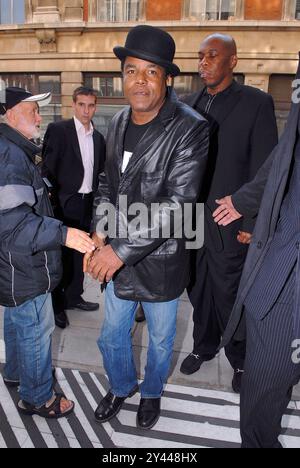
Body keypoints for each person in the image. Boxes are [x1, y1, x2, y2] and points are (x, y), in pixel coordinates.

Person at [84, 25, 209, 430]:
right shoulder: (118, 119)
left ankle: (152, 392)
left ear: (167, 78)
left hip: (162, 259)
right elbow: (106, 183)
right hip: (119, 255)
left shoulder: (191, 127)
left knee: (158, 342)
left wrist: (117, 250)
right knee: (111, 338)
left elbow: (178, 204)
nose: (139, 81)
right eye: (131, 70)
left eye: (150, 72)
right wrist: (102, 230)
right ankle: (121, 386)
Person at [180, 34, 278, 393]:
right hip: (192, 220)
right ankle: (203, 346)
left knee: (231, 292)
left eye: (212, 56)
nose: (203, 62)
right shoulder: (188, 103)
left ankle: (241, 358)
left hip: (231, 218)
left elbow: (265, 166)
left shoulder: (257, 102)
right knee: (197, 287)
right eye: (200, 55)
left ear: (233, 62)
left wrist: (252, 221)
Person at [212, 55, 300, 448]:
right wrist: (245, 201)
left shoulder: (256, 103)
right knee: (265, 386)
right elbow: (286, 156)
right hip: (282, 273)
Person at [0, 87, 95, 418]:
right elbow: (13, 225)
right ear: (10, 115)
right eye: (32, 111)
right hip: (24, 265)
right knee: (35, 329)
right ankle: (39, 398)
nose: (40, 117)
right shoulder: (9, 156)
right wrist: (64, 233)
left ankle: (14, 373)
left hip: (13, 266)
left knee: (16, 319)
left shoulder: (13, 149)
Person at [42, 87, 106, 329]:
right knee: (60, 255)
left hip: (87, 203)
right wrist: (51, 202)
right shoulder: (59, 130)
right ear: (74, 105)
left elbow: (99, 173)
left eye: (90, 105)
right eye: (81, 105)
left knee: (83, 252)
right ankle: (57, 305)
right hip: (63, 203)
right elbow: (46, 169)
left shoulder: (99, 138)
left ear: (95, 107)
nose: (86, 110)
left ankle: (74, 297)